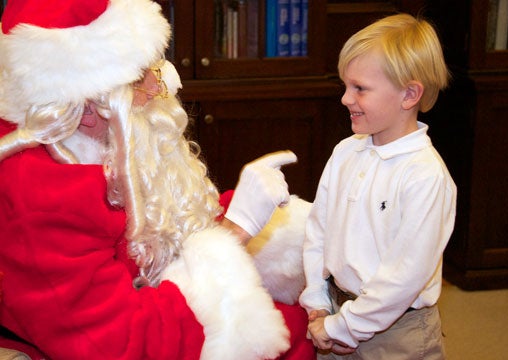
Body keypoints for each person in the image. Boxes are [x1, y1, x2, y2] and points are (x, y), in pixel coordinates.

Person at [0, 0, 315, 359]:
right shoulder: (40, 193)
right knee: (293, 334)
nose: (159, 85)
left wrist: (276, 225)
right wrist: (236, 230)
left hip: (151, 303)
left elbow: (168, 230)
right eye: (137, 77)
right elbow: (122, 343)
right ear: (84, 106)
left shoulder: (98, 140)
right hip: (119, 340)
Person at [299, 13, 457, 359]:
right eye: (345, 86)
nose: (345, 98)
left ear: (409, 94)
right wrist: (316, 299)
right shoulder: (346, 151)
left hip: (399, 334)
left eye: (359, 88)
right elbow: (318, 229)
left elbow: (403, 278)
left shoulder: (425, 176)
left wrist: (345, 326)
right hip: (338, 311)